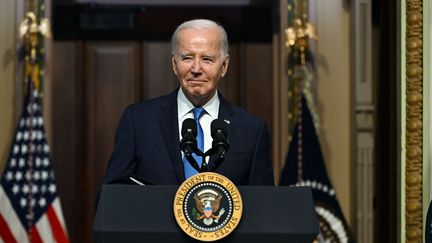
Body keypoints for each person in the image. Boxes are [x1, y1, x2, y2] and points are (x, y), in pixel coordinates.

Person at [101, 19, 274, 186]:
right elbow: (111, 196)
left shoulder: (251, 130)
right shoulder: (138, 121)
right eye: (187, 58)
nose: (196, 69)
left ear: (224, 66)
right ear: (174, 64)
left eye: (207, 59)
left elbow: (264, 205)